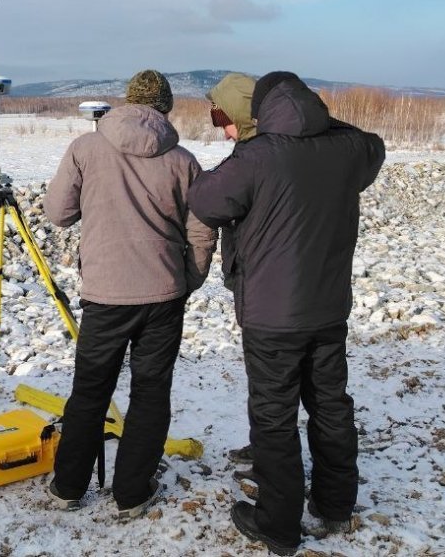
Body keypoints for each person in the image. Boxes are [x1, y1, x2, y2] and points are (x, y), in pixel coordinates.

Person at [189, 71, 385, 555]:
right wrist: (318, 124)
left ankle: (277, 525)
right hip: (327, 306)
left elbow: (205, 200)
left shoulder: (259, 156)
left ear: (263, 110)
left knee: (274, 417)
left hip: (272, 314)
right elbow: (371, 144)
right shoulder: (347, 150)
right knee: (331, 405)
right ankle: (335, 504)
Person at [43, 69, 218, 519]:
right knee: (151, 393)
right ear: (166, 109)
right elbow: (202, 231)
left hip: (104, 295)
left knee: (89, 392)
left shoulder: (85, 148)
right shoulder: (183, 160)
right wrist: (188, 279)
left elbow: (58, 214)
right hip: (163, 296)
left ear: (126, 102)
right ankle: (133, 493)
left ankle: (67, 487)